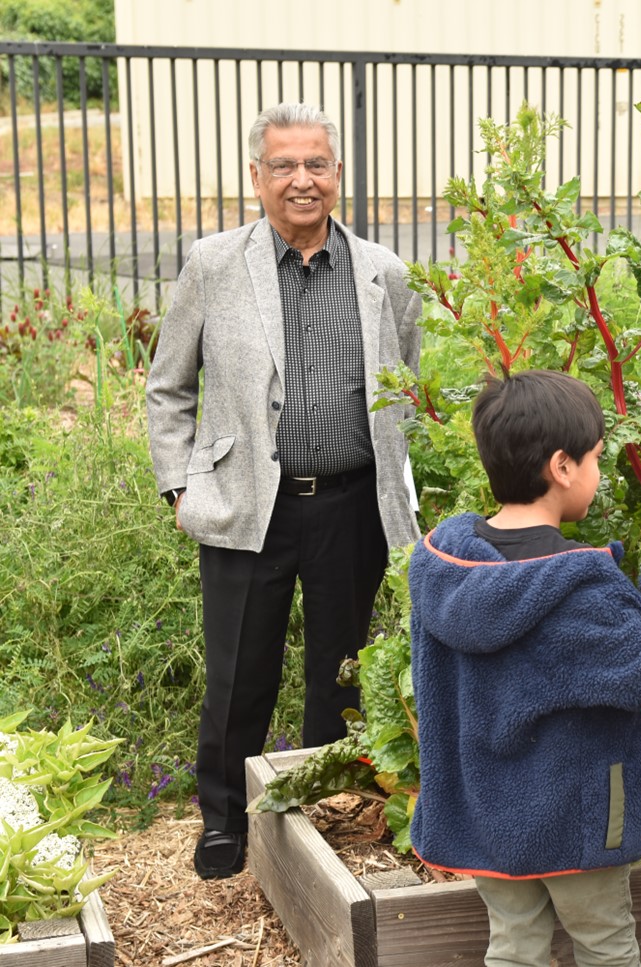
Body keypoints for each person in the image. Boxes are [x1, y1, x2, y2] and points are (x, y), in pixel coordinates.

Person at [146, 102, 422, 879]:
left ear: (338, 173)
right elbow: (167, 387)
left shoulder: (384, 275)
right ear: (257, 177)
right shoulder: (213, 264)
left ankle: (315, 816)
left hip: (351, 505)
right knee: (240, 671)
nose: (302, 180)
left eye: (317, 164)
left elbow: (412, 391)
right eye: (284, 166)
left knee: (339, 673)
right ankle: (226, 821)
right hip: (243, 504)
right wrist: (179, 486)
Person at [408, 370, 641, 966]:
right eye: (595, 458)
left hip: (487, 815)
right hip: (580, 819)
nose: (599, 470)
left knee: (513, 949)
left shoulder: (443, 564)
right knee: (606, 946)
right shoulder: (580, 585)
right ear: (562, 467)